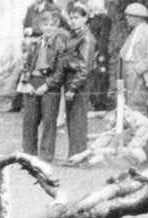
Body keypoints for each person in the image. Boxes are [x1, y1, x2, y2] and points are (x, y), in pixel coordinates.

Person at [20, 8, 69, 162]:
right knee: (29, 121)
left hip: (49, 86)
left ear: (57, 26)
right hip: (32, 83)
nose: (48, 28)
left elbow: (61, 71)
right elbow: (27, 65)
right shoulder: (35, 44)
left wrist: (47, 86)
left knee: (48, 122)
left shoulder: (61, 45)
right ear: (41, 26)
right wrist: (26, 83)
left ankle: (46, 157)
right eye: (45, 24)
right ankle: (28, 155)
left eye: (51, 25)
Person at [56, 2, 96, 162]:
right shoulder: (75, 35)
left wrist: (73, 88)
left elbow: (84, 66)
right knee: (72, 120)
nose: (73, 21)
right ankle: (74, 154)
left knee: (78, 120)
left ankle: (78, 156)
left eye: (77, 18)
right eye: (71, 18)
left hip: (79, 82)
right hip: (70, 79)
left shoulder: (86, 37)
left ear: (85, 19)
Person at [119, 2, 148, 112]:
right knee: (127, 105)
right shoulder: (134, 32)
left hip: (140, 75)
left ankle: (138, 128)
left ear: (137, 17)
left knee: (137, 106)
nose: (126, 18)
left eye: (129, 15)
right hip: (127, 72)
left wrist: (136, 70)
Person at [87, 0, 112, 111]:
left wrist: (101, 54)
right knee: (92, 77)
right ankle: (93, 102)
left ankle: (100, 104)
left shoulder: (104, 18)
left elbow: (103, 38)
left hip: (99, 53)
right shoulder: (91, 18)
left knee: (100, 78)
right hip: (90, 52)